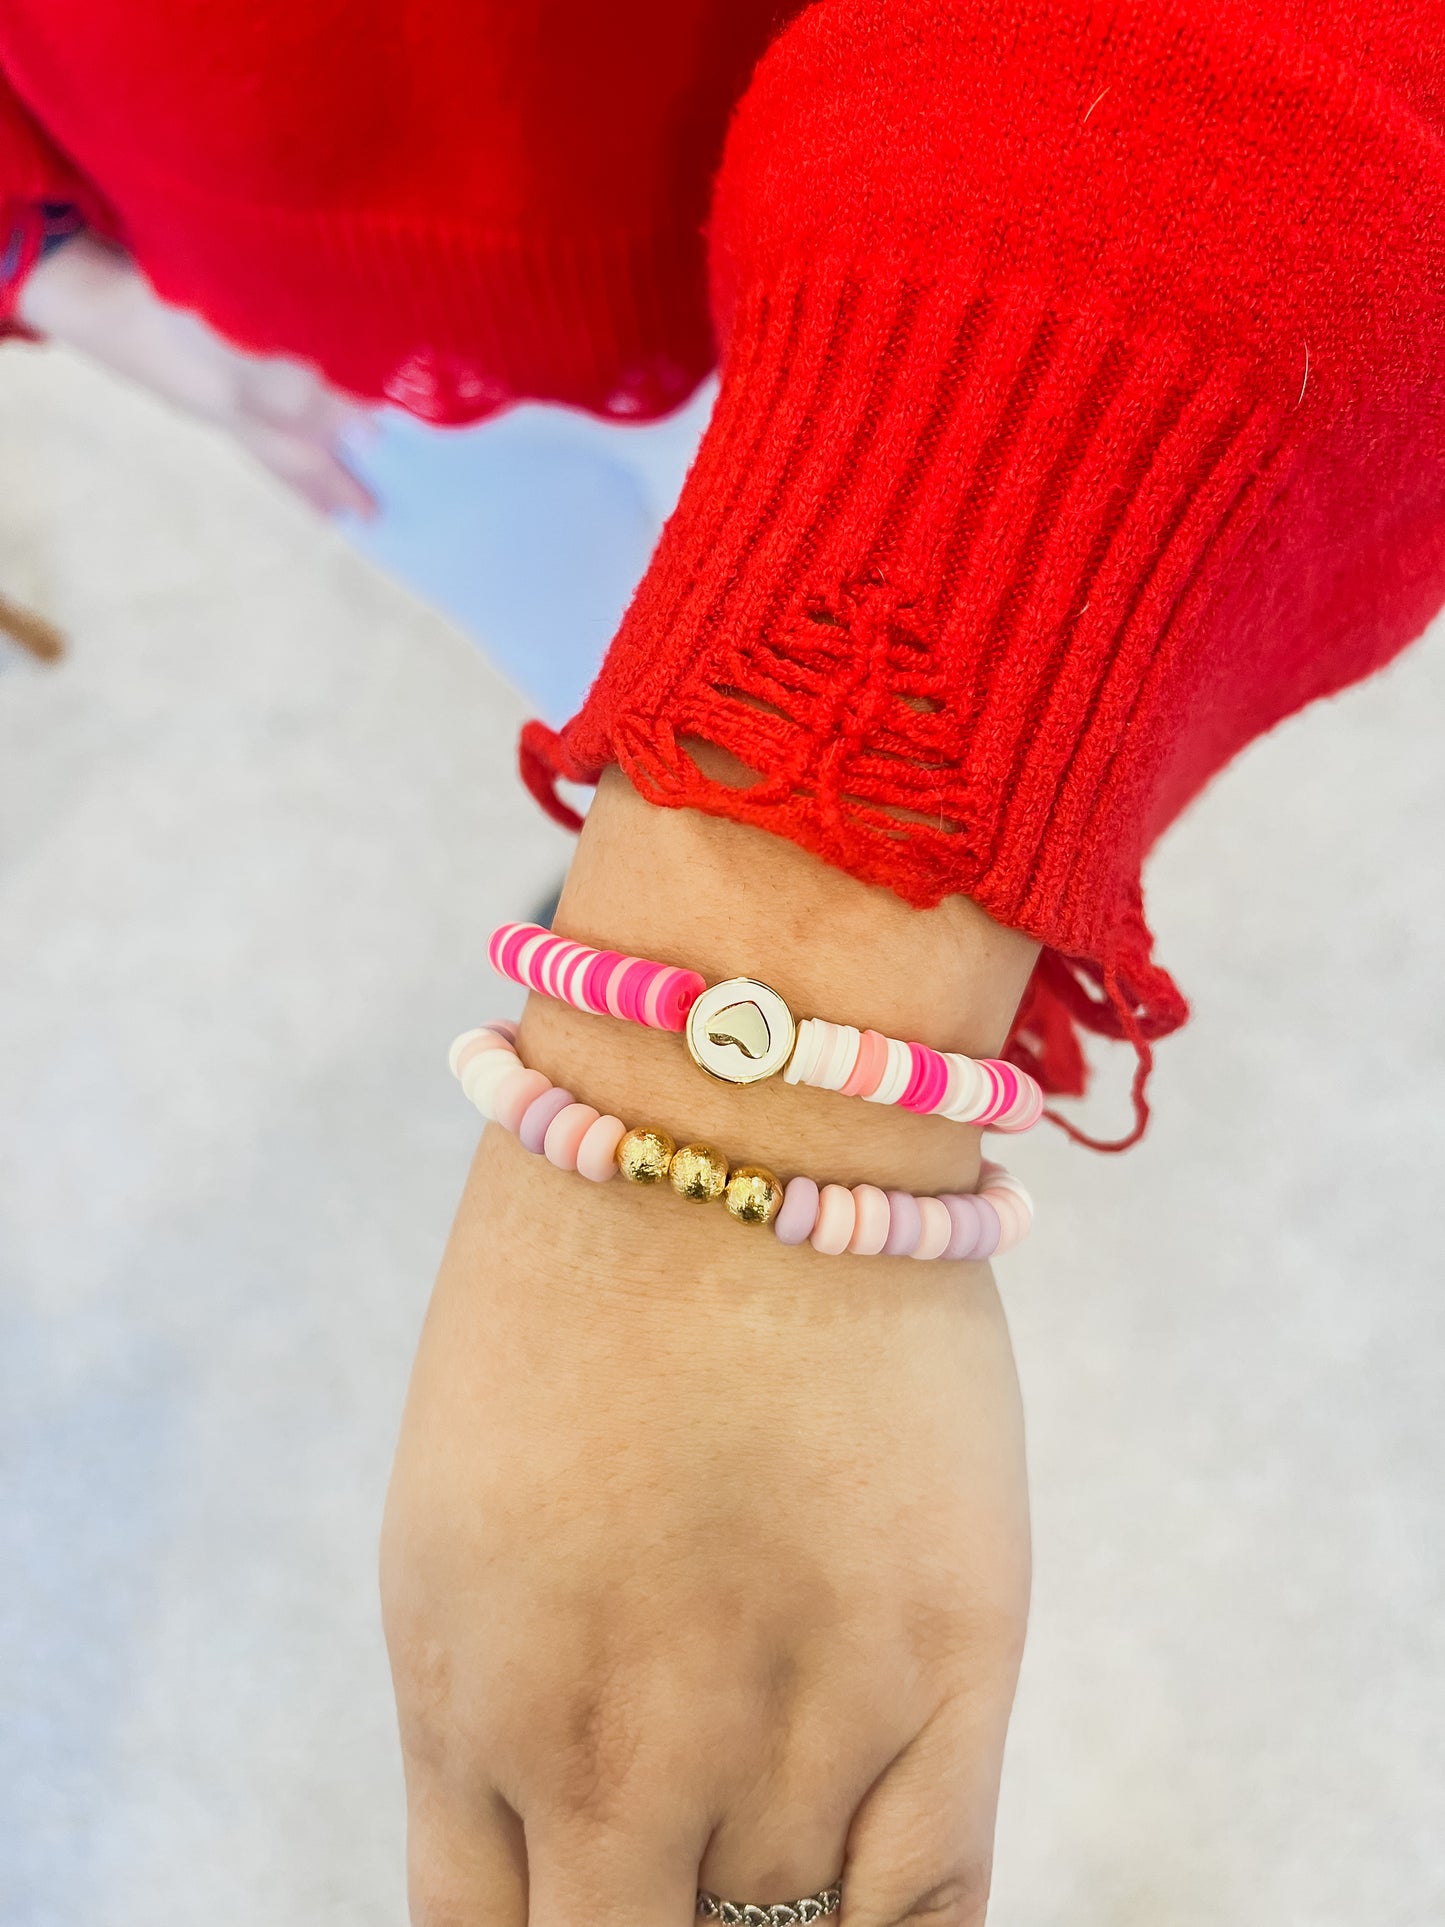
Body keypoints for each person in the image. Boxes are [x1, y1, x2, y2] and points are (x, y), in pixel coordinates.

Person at [4, 2, 1444, 1920]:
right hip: (277, 301)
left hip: (943, 215)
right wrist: (50, 262)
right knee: (575, 634)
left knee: (726, 644)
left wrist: (777, 944)